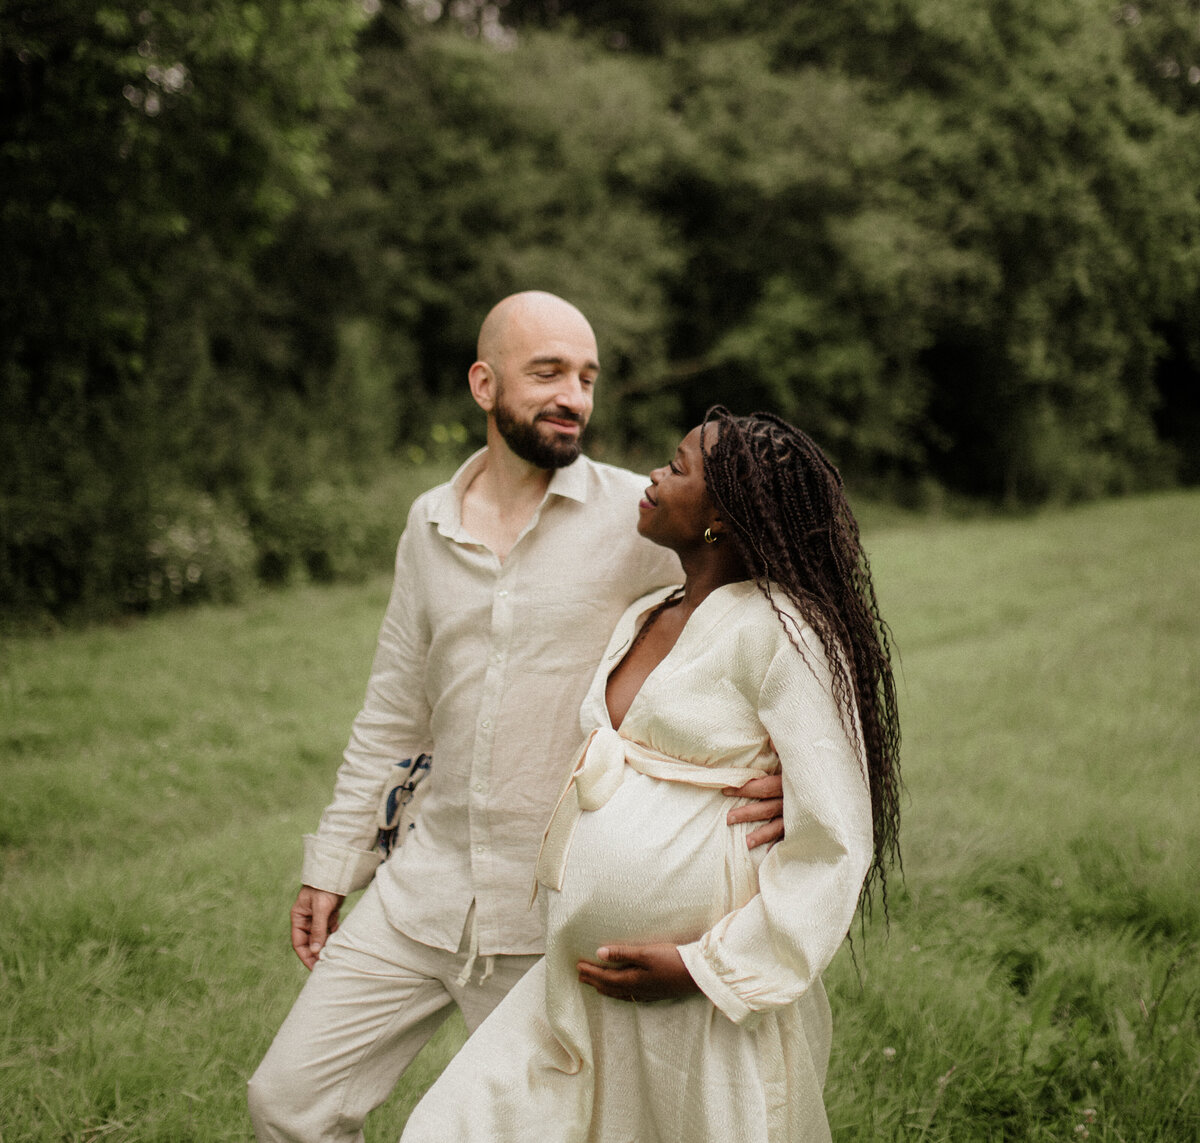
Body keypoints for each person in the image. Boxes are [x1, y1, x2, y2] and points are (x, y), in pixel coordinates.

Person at [247, 294, 785, 1142]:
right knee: (287, 1102)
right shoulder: (427, 525)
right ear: (483, 382)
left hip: (559, 912)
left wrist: (794, 766)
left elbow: (780, 613)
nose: (574, 395)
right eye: (547, 374)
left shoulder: (637, 517)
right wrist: (334, 862)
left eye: (587, 377)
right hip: (424, 887)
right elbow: (395, 711)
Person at [399, 407, 902, 1143]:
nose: (654, 475)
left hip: (695, 998)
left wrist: (706, 967)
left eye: (677, 465)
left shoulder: (784, 631)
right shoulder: (648, 609)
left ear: (722, 517)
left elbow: (836, 836)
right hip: (575, 979)